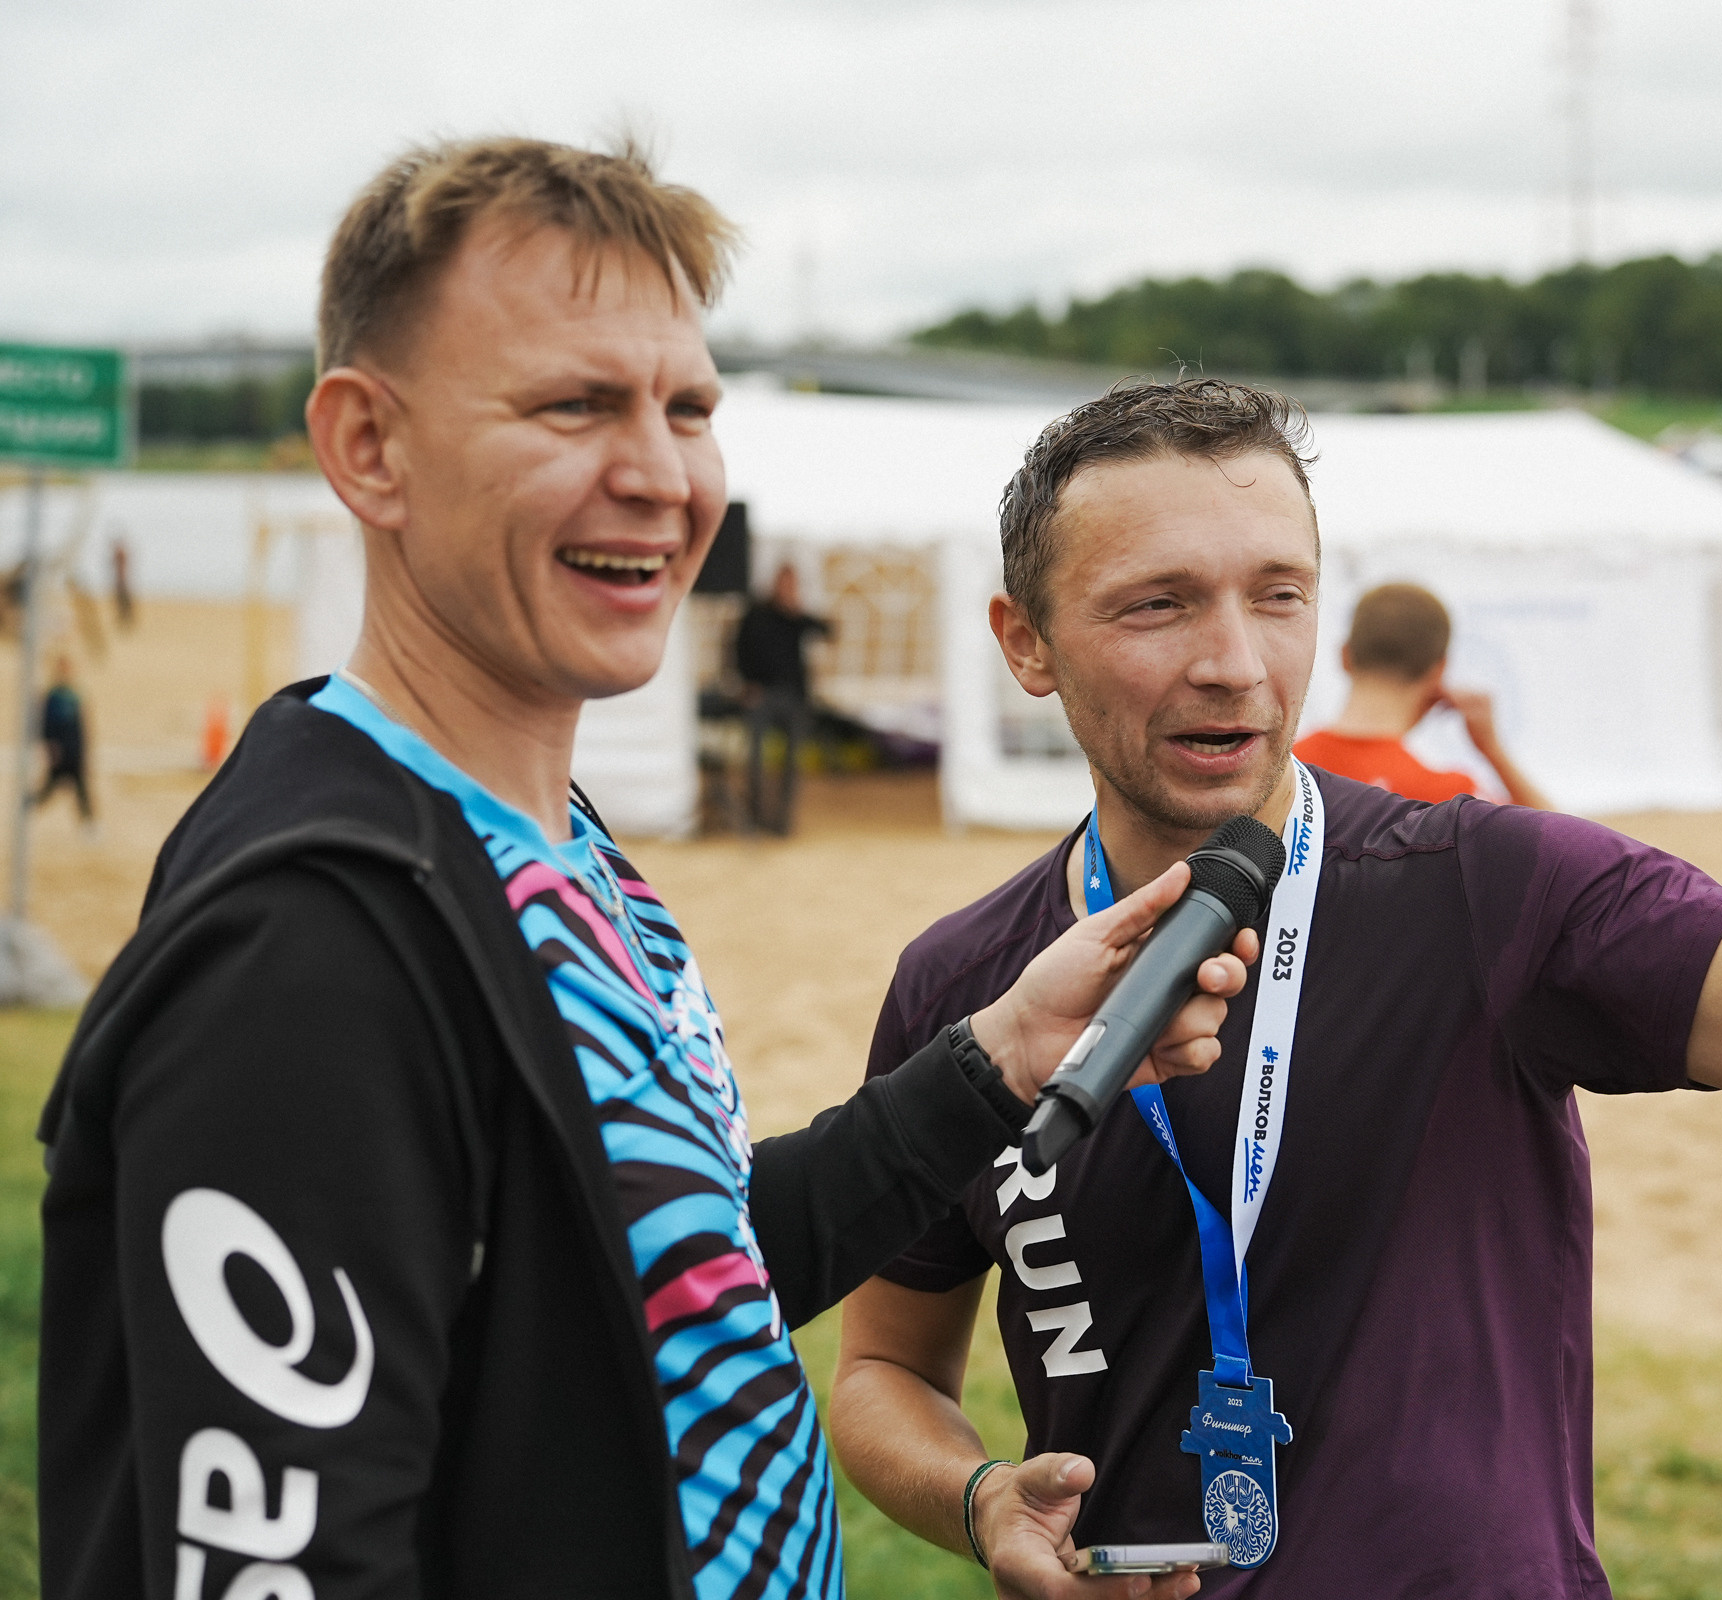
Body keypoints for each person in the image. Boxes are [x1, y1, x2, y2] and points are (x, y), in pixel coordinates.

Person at [828, 364, 1722, 1599]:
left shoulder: (1494, 891)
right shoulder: (966, 984)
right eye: (1159, 605)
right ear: (1025, 641)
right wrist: (976, 1503)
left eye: (1278, 596)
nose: (1236, 661)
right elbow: (885, 1362)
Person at [36, 137, 1249, 1600]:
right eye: (574, 406)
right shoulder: (315, 950)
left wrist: (998, 1057)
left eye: (688, 408)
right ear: (368, 446)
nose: (663, 476)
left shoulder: (555, 845)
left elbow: (686, 1275)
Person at [1292, 581, 1550, 808]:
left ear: (1345, 656)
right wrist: (1493, 750)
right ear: (1439, 671)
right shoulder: (1452, 799)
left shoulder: (1285, 770)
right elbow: (1566, 846)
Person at [735, 561, 833, 833]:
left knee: (792, 763)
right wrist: (747, 685)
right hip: (762, 695)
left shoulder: (795, 617)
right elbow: (739, 650)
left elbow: (827, 631)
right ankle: (756, 819)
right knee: (756, 761)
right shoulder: (756, 614)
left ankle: (782, 823)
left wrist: (797, 610)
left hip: (794, 697)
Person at [37, 653, 93, 824]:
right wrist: (51, 747)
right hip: (60, 751)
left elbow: (82, 728)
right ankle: (25, 809)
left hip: (74, 750)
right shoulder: (53, 697)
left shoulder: (75, 696)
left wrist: (83, 751)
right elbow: (46, 726)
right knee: (49, 788)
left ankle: (88, 821)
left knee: (81, 789)